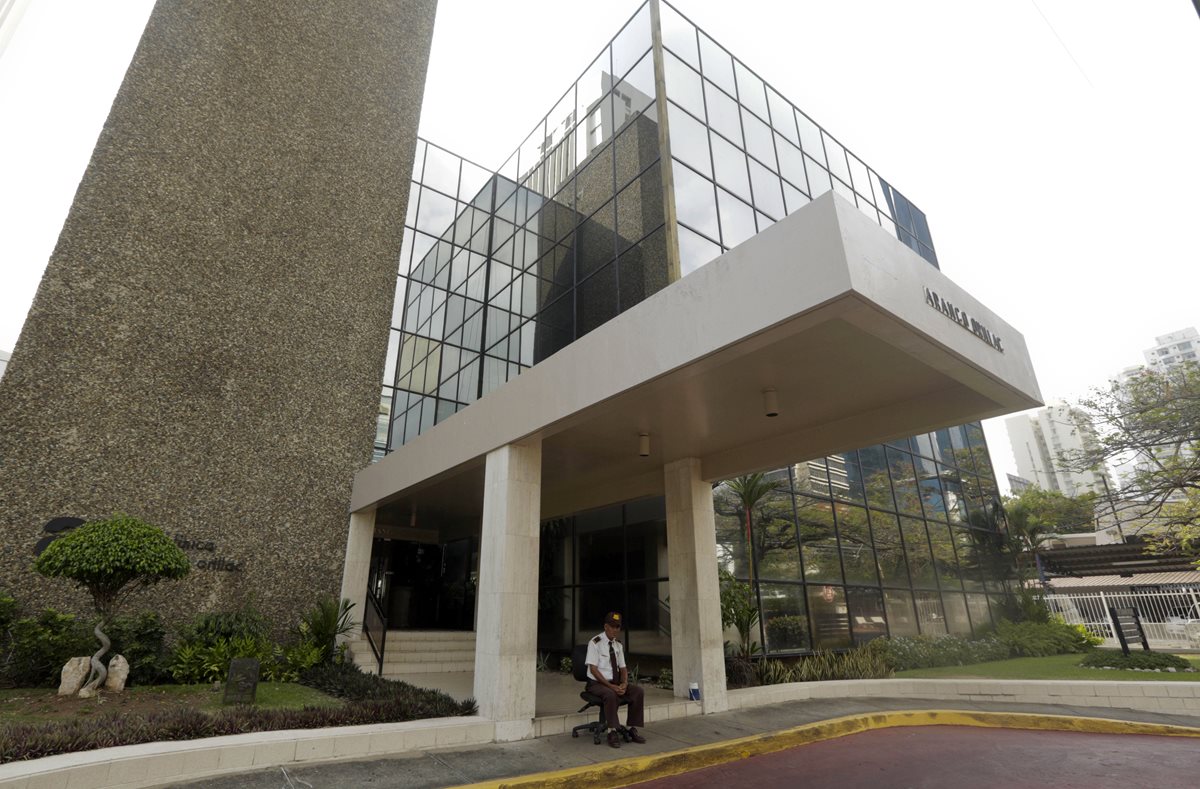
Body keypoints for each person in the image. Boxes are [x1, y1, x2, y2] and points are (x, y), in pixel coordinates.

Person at [584, 611, 646, 748]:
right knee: (610, 694)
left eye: (617, 627)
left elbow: (623, 668)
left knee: (637, 692)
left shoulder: (618, 645)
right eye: (612, 626)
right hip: (596, 683)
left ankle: (631, 729)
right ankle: (612, 731)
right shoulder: (595, 643)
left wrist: (624, 683)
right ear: (605, 626)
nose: (615, 630)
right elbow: (593, 669)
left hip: (615, 682)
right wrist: (611, 686)